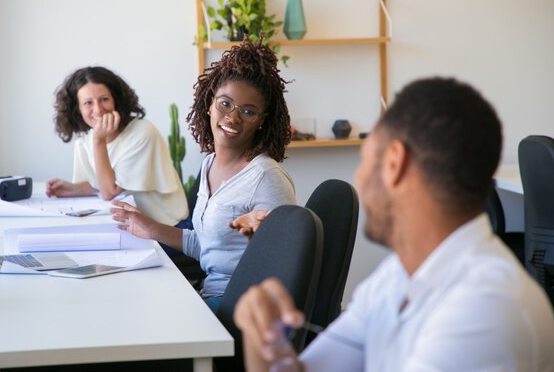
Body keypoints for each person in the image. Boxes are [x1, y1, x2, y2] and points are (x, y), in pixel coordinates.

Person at [233, 77, 554, 372]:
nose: (359, 178)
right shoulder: (397, 277)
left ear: (394, 163)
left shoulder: (485, 309)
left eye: (366, 160)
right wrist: (263, 337)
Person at [110, 39, 296, 313]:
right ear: (210, 104)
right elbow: (208, 246)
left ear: (261, 121)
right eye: (225, 104)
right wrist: (150, 228)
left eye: (248, 111)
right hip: (211, 294)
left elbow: (283, 269)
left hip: (242, 309)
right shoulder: (209, 164)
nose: (233, 118)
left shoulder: (266, 178)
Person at [47, 66, 188, 226]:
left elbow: (110, 192)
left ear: (116, 99)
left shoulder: (142, 133)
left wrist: (99, 140)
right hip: (130, 225)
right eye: (88, 103)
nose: (98, 109)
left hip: (166, 227)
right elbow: (99, 184)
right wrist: (71, 189)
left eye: (104, 99)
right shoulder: (85, 140)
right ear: (77, 109)